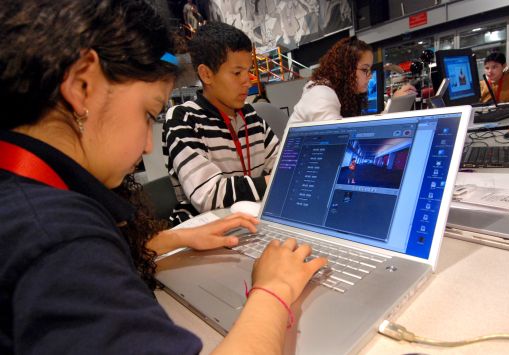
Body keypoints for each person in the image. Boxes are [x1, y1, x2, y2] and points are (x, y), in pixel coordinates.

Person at [0, 1, 325, 353]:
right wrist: (274, 288)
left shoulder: (22, 199)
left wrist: (166, 241)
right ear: (81, 86)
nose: (147, 146)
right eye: (148, 114)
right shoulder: (58, 240)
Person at [163, 22, 280, 224]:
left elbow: (282, 166)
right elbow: (207, 195)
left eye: (248, 70)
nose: (248, 81)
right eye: (237, 73)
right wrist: (271, 182)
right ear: (206, 74)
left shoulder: (251, 118)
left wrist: (277, 179)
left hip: (253, 221)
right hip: (203, 229)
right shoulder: (184, 119)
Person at [288, 36, 417, 125]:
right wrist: (390, 109)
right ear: (345, 69)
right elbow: (339, 140)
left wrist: (392, 107)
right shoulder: (321, 94)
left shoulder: (341, 94)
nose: (370, 76)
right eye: (364, 69)